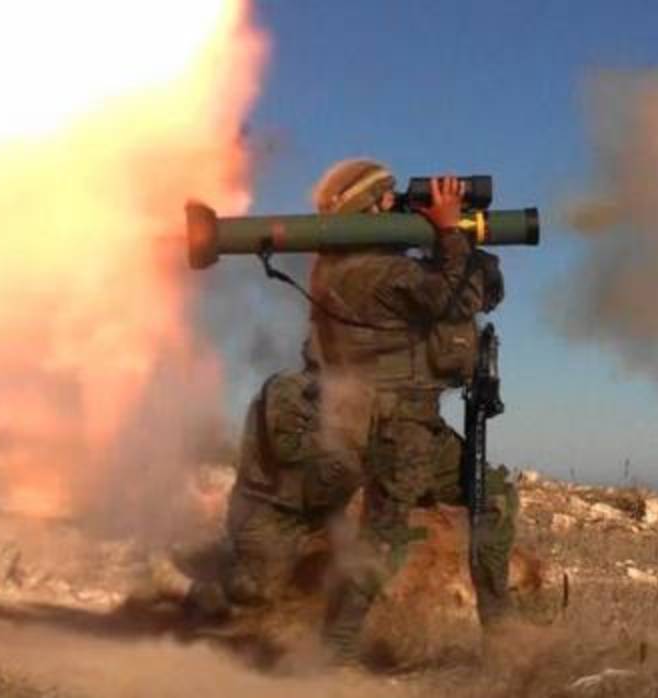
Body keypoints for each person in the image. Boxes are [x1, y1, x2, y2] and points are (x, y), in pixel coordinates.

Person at [306, 159, 515, 662]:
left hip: (380, 420)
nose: (395, 206)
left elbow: (474, 287)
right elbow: (461, 296)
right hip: (399, 426)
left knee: (491, 498)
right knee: (383, 535)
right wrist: (447, 231)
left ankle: (503, 631)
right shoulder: (376, 273)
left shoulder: (338, 269)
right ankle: (328, 656)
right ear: (368, 208)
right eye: (387, 200)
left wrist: (456, 244)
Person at [164, 350, 362, 619]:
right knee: (254, 591)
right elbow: (288, 449)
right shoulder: (288, 389)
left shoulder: (338, 406)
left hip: (310, 516)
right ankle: (203, 578)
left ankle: (225, 558)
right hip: (268, 513)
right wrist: (351, 455)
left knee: (348, 568)